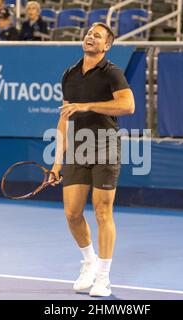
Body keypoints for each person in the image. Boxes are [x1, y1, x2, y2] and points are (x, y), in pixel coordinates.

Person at [50, 22, 135, 297]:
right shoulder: (69, 74)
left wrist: (88, 105)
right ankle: (89, 262)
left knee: (102, 211)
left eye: (97, 35)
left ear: (106, 46)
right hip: (77, 148)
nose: (90, 36)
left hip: (105, 144)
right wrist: (57, 162)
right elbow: (64, 118)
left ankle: (104, 277)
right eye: (88, 33)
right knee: (72, 213)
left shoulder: (112, 73)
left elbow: (128, 106)